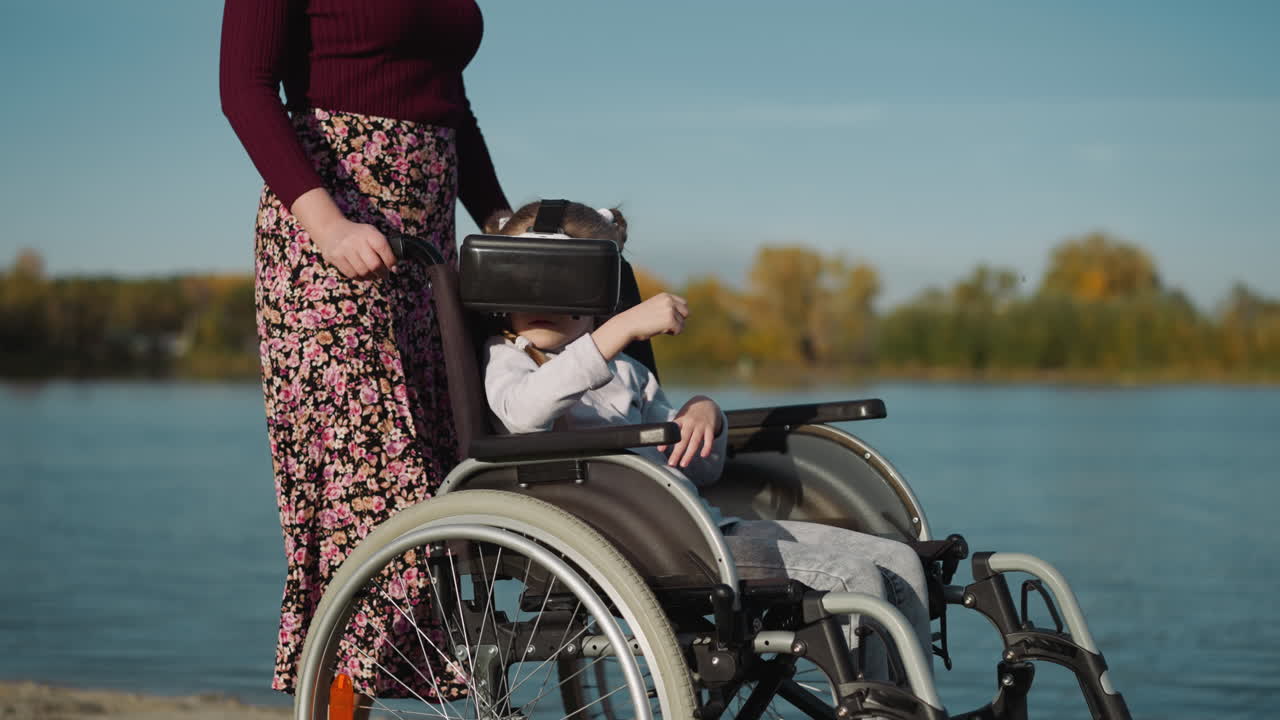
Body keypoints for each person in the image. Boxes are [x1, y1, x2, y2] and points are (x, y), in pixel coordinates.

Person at [482, 201, 933, 678]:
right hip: (633, 544)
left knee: (898, 560)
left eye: (563, 286)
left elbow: (699, 470)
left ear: (598, 294)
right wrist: (620, 330)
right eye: (525, 283)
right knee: (854, 578)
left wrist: (703, 415)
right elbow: (527, 415)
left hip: (703, 529)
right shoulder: (508, 360)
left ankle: (915, 704)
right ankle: (873, 706)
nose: (544, 302)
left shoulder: (628, 373)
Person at [219, 0, 510, 698]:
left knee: (444, 479)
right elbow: (243, 85)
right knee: (375, 498)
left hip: (429, 239)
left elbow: (450, 105)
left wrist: (503, 224)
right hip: (332, 234)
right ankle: (338, 698)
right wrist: (325, 223)